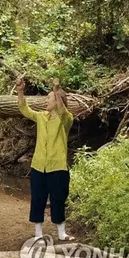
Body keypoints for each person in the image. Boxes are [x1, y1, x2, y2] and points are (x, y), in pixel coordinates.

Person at [16, 77, 74, 241]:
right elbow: (24, 109)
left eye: (49, 98)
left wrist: (56, 90)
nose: (45, 101)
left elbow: (63, 112)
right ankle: (38, 234)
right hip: (39, 166)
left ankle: (62, 234)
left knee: (58, 199)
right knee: (38, 199)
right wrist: (20, 91)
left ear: (57, 101)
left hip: (58, 167)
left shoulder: (66, 120)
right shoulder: (41, 116)